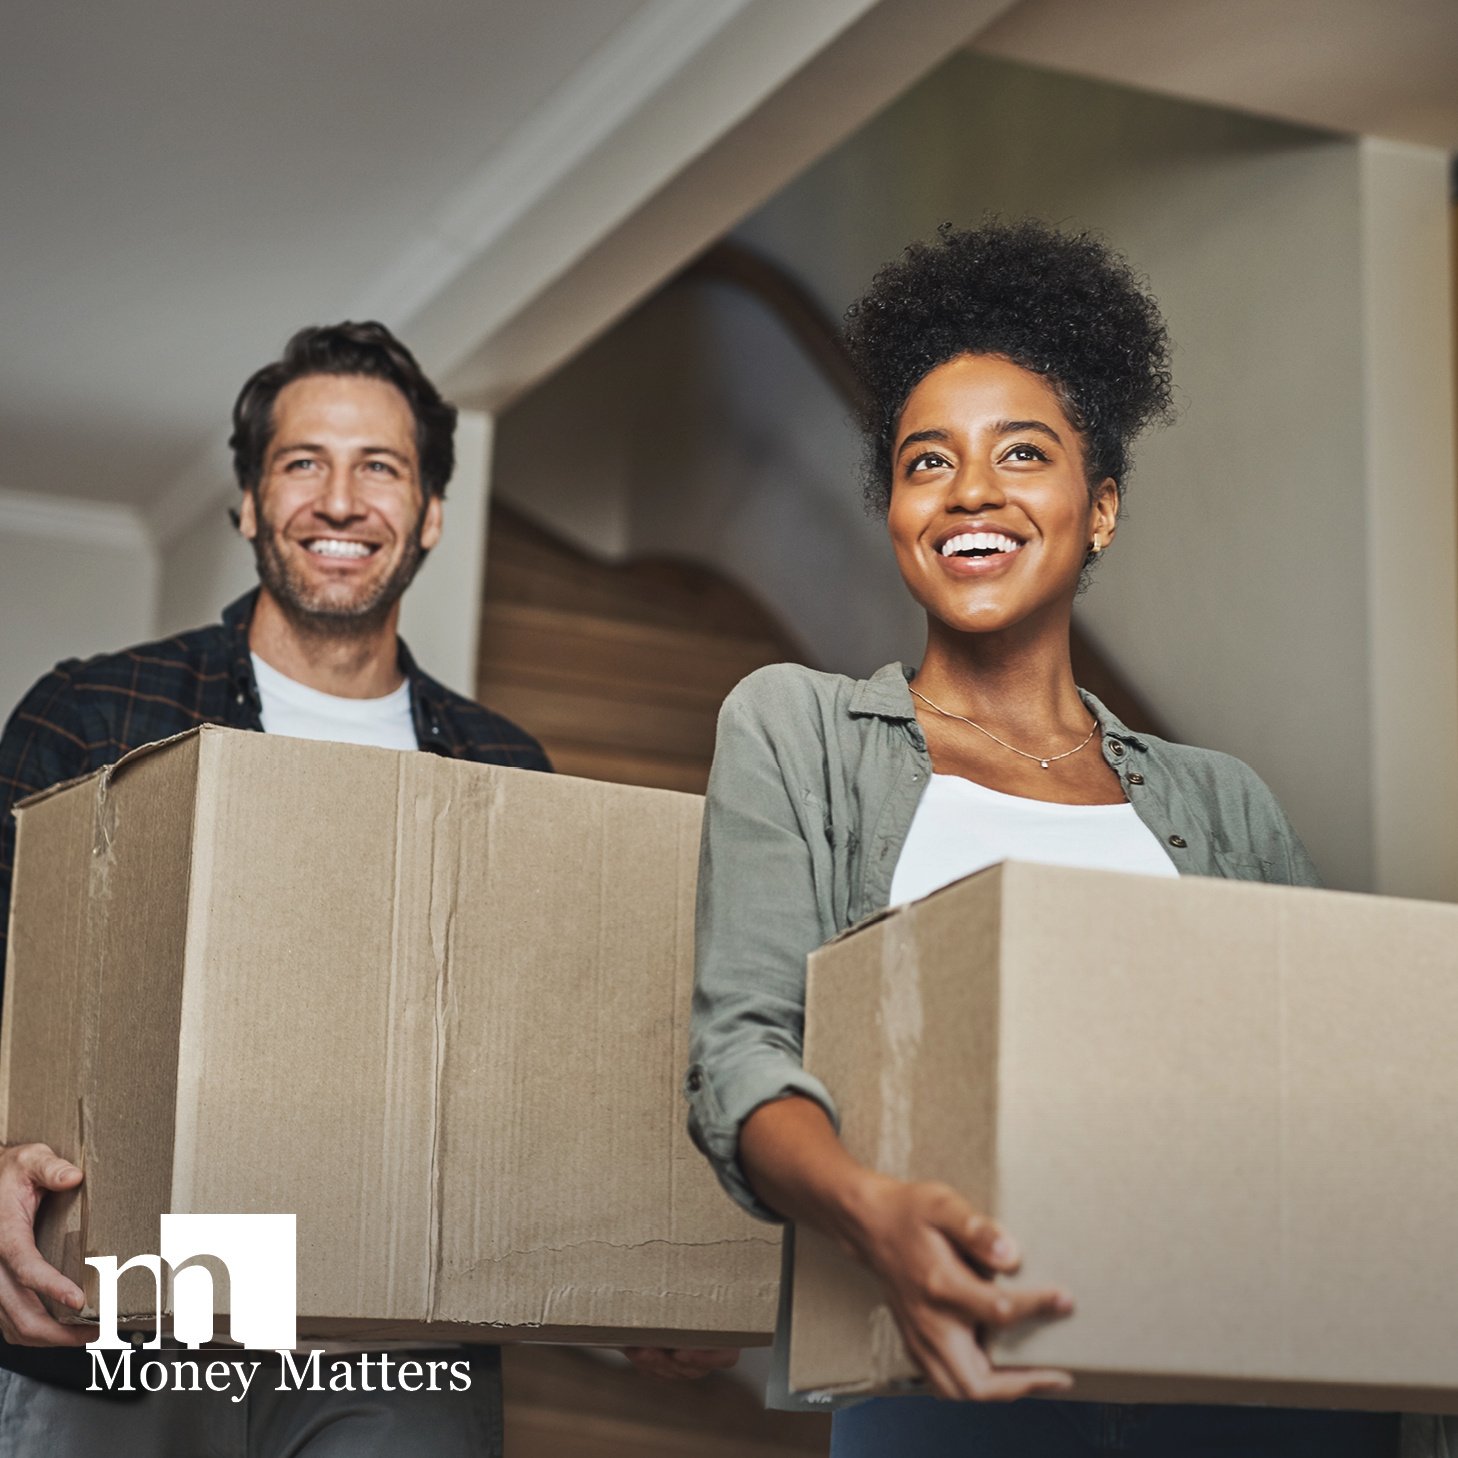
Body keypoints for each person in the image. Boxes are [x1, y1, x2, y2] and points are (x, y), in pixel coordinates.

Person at [686, 221, 1401, 1456]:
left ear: (1101, 505)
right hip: (948, 1377)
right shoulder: (798, 732)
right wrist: (871, 1213)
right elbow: (739, 1054)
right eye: (926, 463)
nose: (972, 492)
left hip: (1253, 1393)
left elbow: (1336, 1103)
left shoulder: (1227, 805)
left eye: (1024, 453)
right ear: (894, 510)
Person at [0, 321, 726, 1456]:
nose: (341, 501)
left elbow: (544, 1083)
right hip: (109, 1316)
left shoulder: (504, 772)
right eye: (303, 463)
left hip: (395, 1328)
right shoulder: (91, 718)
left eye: (380, 467)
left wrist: (642, 1279)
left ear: (431, 512)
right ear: (247, 501)